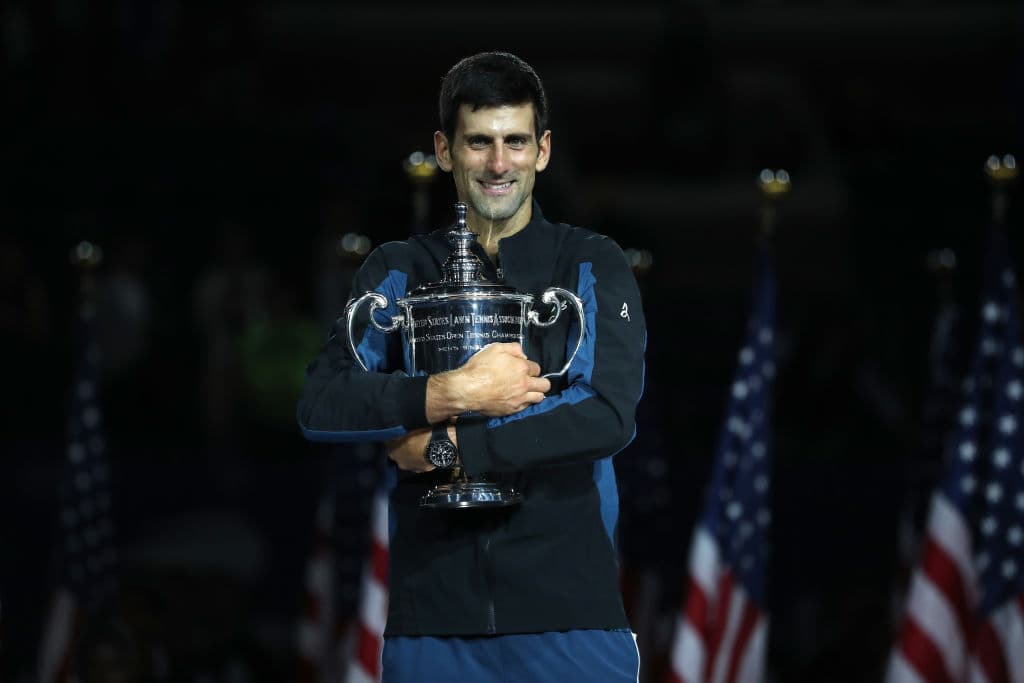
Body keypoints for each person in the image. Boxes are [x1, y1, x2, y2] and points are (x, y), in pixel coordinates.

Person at [297, 51, 647, 682]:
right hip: (432, 623)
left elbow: (606, 414)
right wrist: (446, 391)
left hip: (570, 624)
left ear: (542, 150)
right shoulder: (398, 269)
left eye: (515, 141)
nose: (497, 163)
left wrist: (452, 448)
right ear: (445, 149)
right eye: (478, 142)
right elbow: (323, 403)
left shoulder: (592, 262)